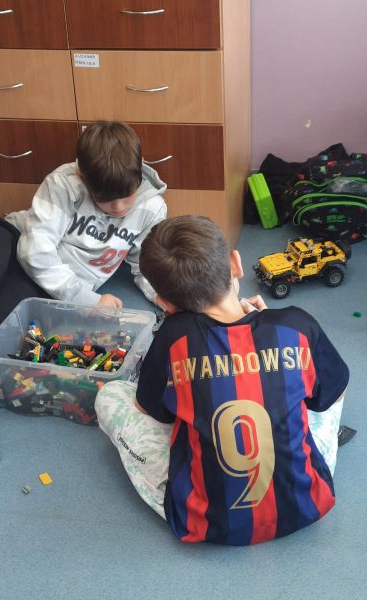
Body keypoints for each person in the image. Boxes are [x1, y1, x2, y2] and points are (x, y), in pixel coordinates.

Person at [95, 215, 350, 546]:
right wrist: (263, 331)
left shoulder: (173, 337)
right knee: (323, 378)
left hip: (204, 522)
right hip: (309, 503)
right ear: (236, 263)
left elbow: (151, 411)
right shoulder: (297, 324)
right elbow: (331, 393)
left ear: (164, 303)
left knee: (111, 394)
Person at [0, 121, 167, 344]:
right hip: (13, 236)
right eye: (105, 199)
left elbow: (146, 267)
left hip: (43, 281)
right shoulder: (63, 182)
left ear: (140, 168)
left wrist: (167, 297)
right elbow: (34, 251)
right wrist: (86, 300)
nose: (118, 207)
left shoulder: (152, 208)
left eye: (127, 195)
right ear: (82, 176)